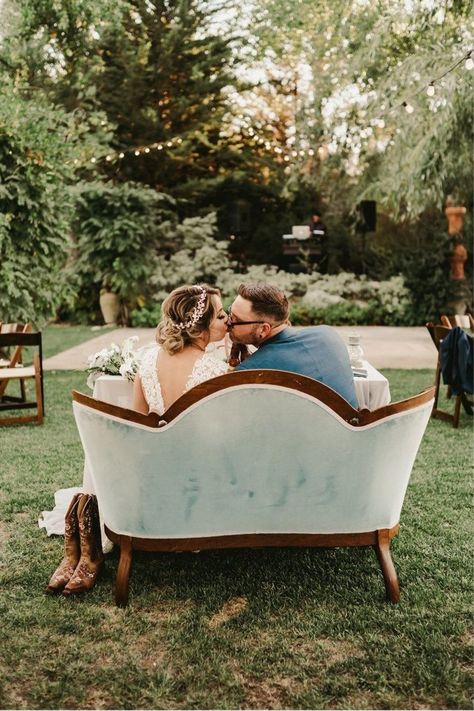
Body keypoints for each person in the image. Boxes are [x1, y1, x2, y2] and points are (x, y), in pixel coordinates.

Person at [227, 283, 358, 408]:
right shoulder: (328, 334)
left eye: (235, 320)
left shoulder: (250, 371)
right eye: (229, 313)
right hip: (356, 428)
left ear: (263, 329)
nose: (227, 322)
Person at [133, 284, 229, 415]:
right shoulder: (218, 372)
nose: (227, 318)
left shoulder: (147, 362)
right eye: (220, 316)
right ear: (198, 330)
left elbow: (139, 422)